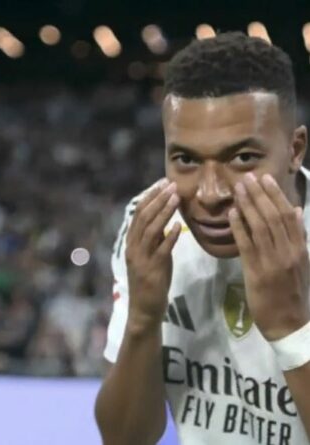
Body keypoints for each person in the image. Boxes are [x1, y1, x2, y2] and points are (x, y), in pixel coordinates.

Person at [95, 32, 310, 445]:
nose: (210, 194)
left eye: (243, 158)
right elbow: (124, 439)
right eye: (186, 159)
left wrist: (291, 329)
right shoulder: (153, 225)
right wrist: (142, 320)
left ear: (295, 149)